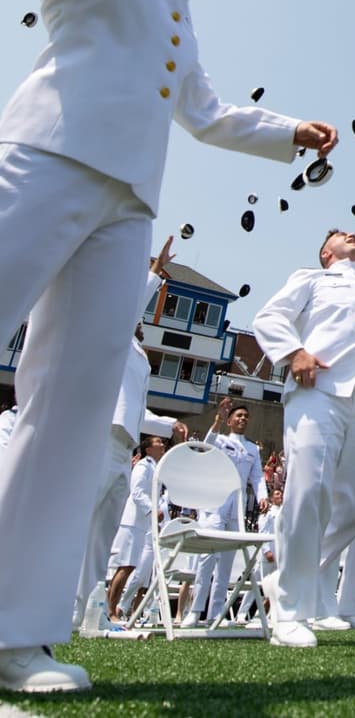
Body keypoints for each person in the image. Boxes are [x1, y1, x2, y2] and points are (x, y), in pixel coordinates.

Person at [0, 0, 338, 693]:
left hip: (127, 203)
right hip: (47, 156)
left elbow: (203, 110)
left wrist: (289, 134)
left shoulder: (178, 3)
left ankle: (15, 631)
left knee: (68, 409)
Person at [252, 228, 355, 648]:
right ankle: (290, 609)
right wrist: (294, 352)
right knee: (309, 494)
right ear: (327, 252)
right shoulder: (311, 278)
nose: (353, 234)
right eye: (342, 234)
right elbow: (268, 317)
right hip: (317, 391)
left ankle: (287, 580)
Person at [74, 238, 188, 627]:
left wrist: (167, 427)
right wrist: (154, 273)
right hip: (99, 438)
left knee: (100, 537)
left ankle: (89, 613)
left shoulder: (136, 354)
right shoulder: (113, 336)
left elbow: (136, 411)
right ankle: (48, 602)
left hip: (124, 446)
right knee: (78, 523)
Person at [181, 398, 268, 627]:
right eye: (238, 416)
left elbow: (257, 476)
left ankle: (215, 612)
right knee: (207, 556)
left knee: (227, 560)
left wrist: (263, 497)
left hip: (236, 506)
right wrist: (217, 420)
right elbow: (205, 445)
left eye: (246, 417)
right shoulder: (219, 439)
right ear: (230, 420)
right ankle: (196, 609)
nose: (243, 419)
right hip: (216, 502)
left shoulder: (252, 449)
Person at [107, 436, 166, 621]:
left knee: (130, 567)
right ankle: (110, 612)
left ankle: (112, 610)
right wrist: (152, 510)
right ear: (148, 449)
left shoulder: (155, 467)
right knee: (124, 566)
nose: (163, 445)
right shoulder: (143, 465)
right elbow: (137, 490)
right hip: (132, 521)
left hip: (141, 523)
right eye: (159, 443)